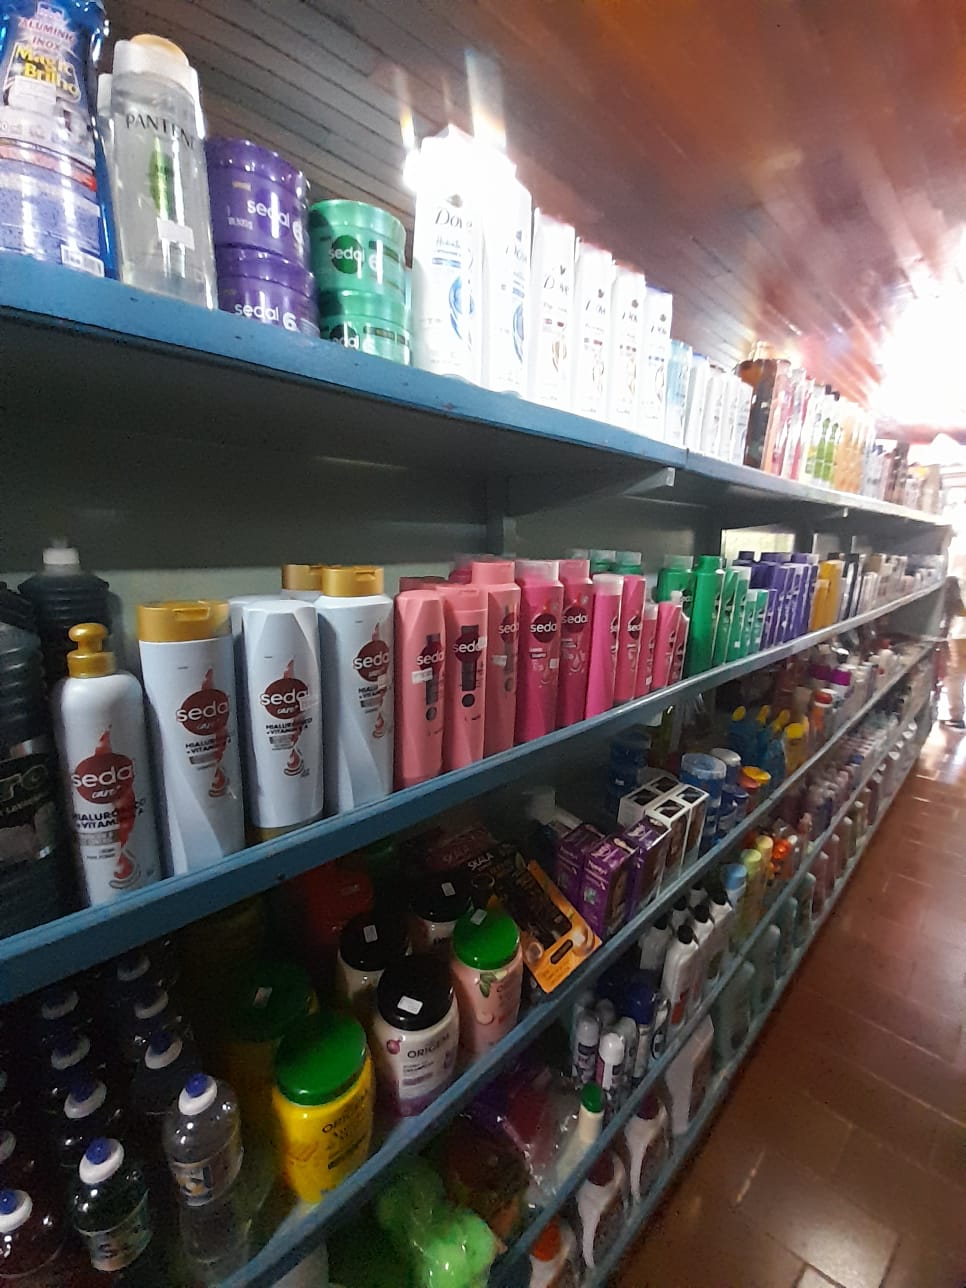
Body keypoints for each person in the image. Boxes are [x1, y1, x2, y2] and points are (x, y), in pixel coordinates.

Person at [940, 574, 966, 729]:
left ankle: (956, 717)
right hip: (960, 638)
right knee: (956, 679)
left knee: (955, 678)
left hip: (960, 639)